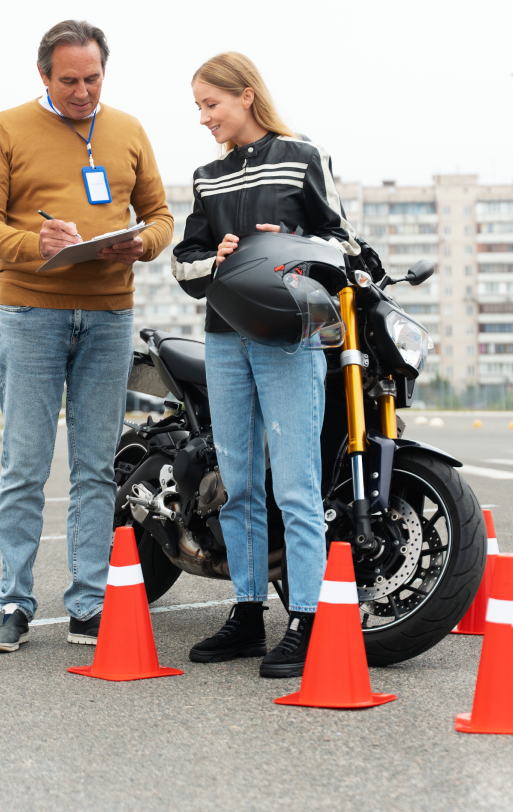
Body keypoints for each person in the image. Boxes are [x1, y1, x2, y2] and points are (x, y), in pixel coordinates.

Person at [0, 19, 173, 652]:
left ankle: (88, 604)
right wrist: (35, 244)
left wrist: (143, 243)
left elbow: (161, 215)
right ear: (43, 76)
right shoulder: (4, 129)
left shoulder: (129, 130)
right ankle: (13, 602)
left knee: (94, 470)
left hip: (109, 316)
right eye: (69, 81)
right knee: (24, 467)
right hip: (32, 314)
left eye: (93, 78)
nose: (83, 92)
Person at [172, 52, 359, 677]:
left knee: (297, 485)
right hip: (225, 337)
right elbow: (184, 264)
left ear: (246, 96)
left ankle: (306, 619)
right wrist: (216, 255)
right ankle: (247, 615)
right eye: (199, 107)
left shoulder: (303, 157)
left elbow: (343, 244)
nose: (203, 118)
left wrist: (290, 245)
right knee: (242, 482)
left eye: (211, 104)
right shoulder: (207, 176)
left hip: (288, 338)